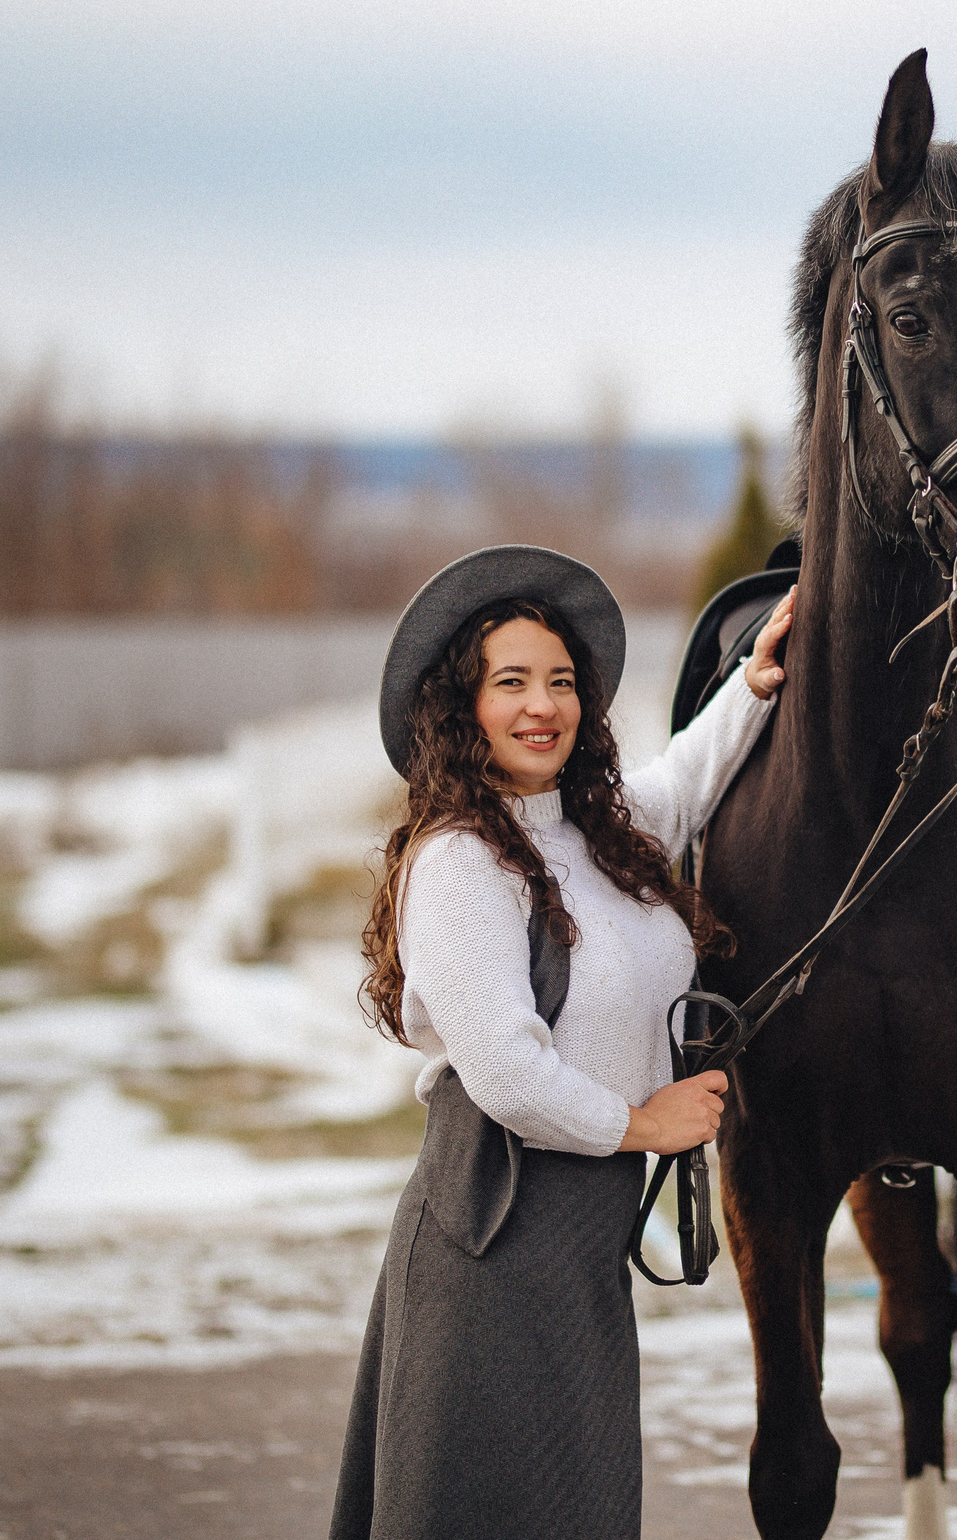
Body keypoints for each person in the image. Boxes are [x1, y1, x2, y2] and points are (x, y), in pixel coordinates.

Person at [330, 544, 793, 1540]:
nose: (542, 706)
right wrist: (642, 1122)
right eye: (511, 683)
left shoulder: (594, 834)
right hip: (492, 1232)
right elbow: (506, 1071)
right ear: (464, 707)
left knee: (573, 1505)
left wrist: (753, 686)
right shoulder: (459, 859)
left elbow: (683, 783)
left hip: (580, 1233)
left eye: (560, 682)